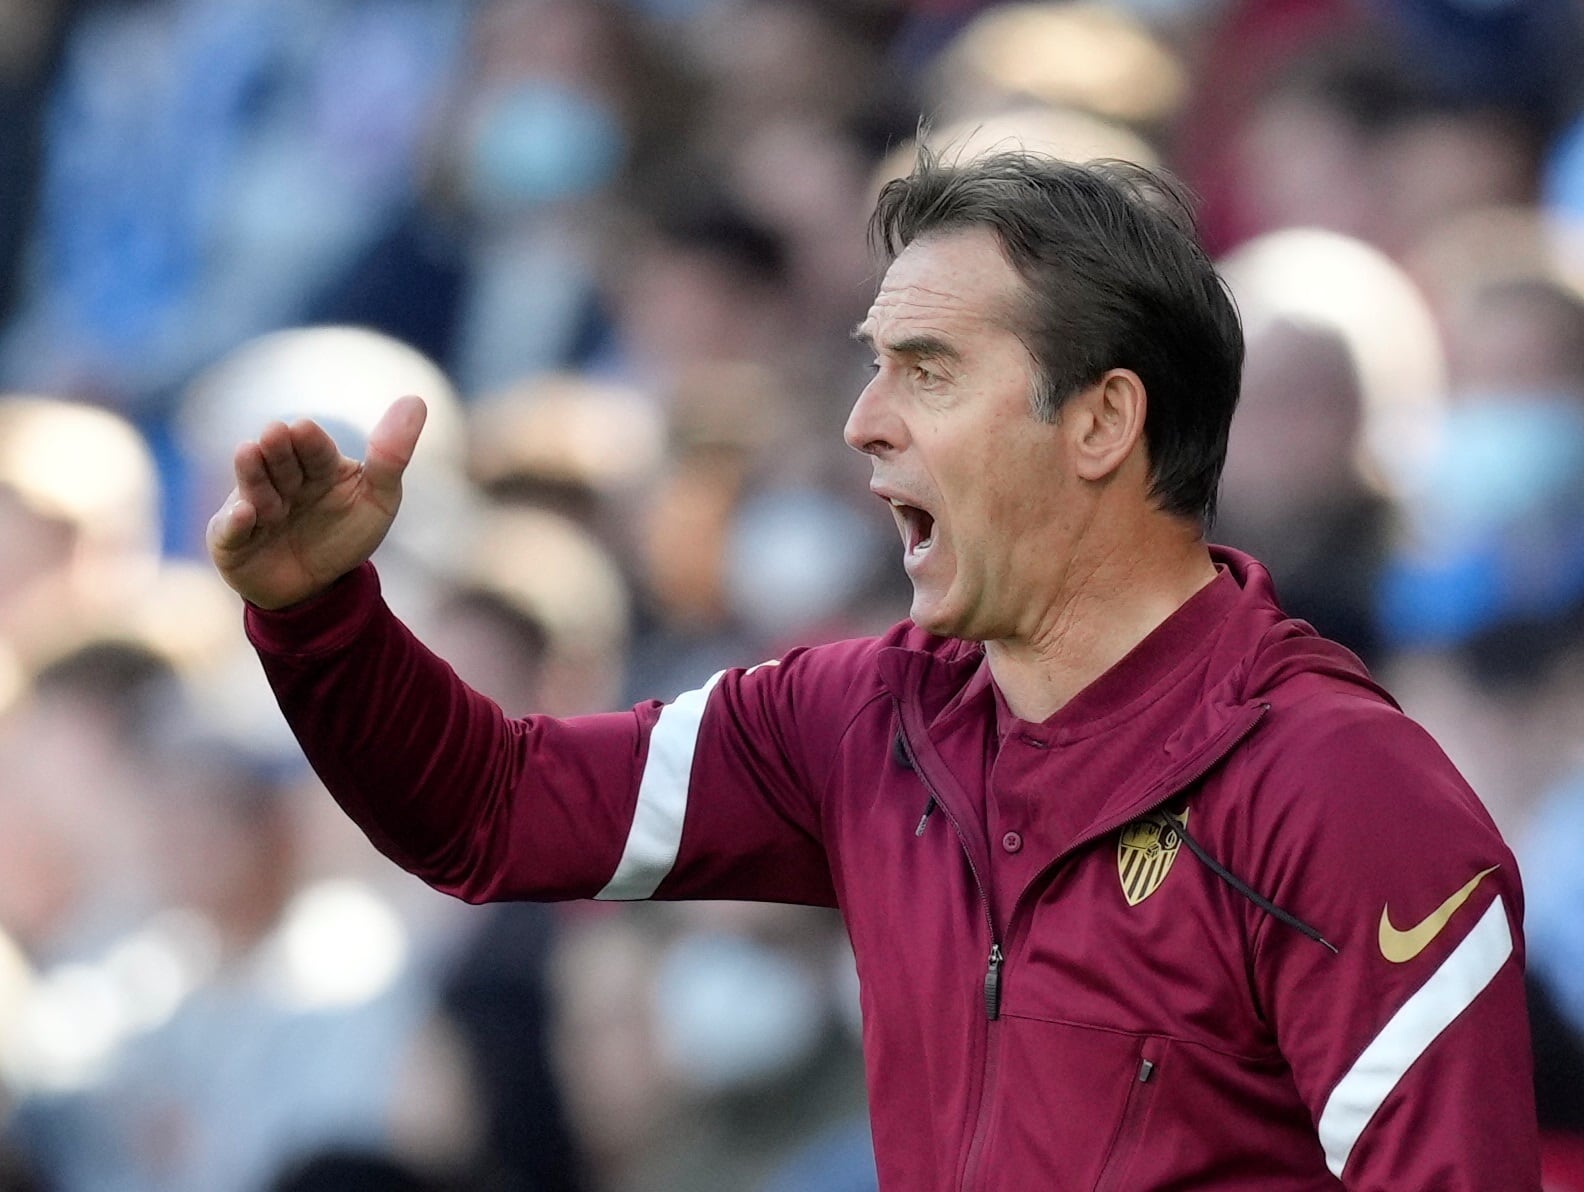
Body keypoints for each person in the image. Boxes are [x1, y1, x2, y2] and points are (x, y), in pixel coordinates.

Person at [207, 149, 1541, 1190]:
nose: (863, 422)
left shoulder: (1345, 790)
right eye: (872, 368)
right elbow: (492, 811)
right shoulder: (857, 718)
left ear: (1101, 420)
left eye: (929, 372)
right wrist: (327, 619)